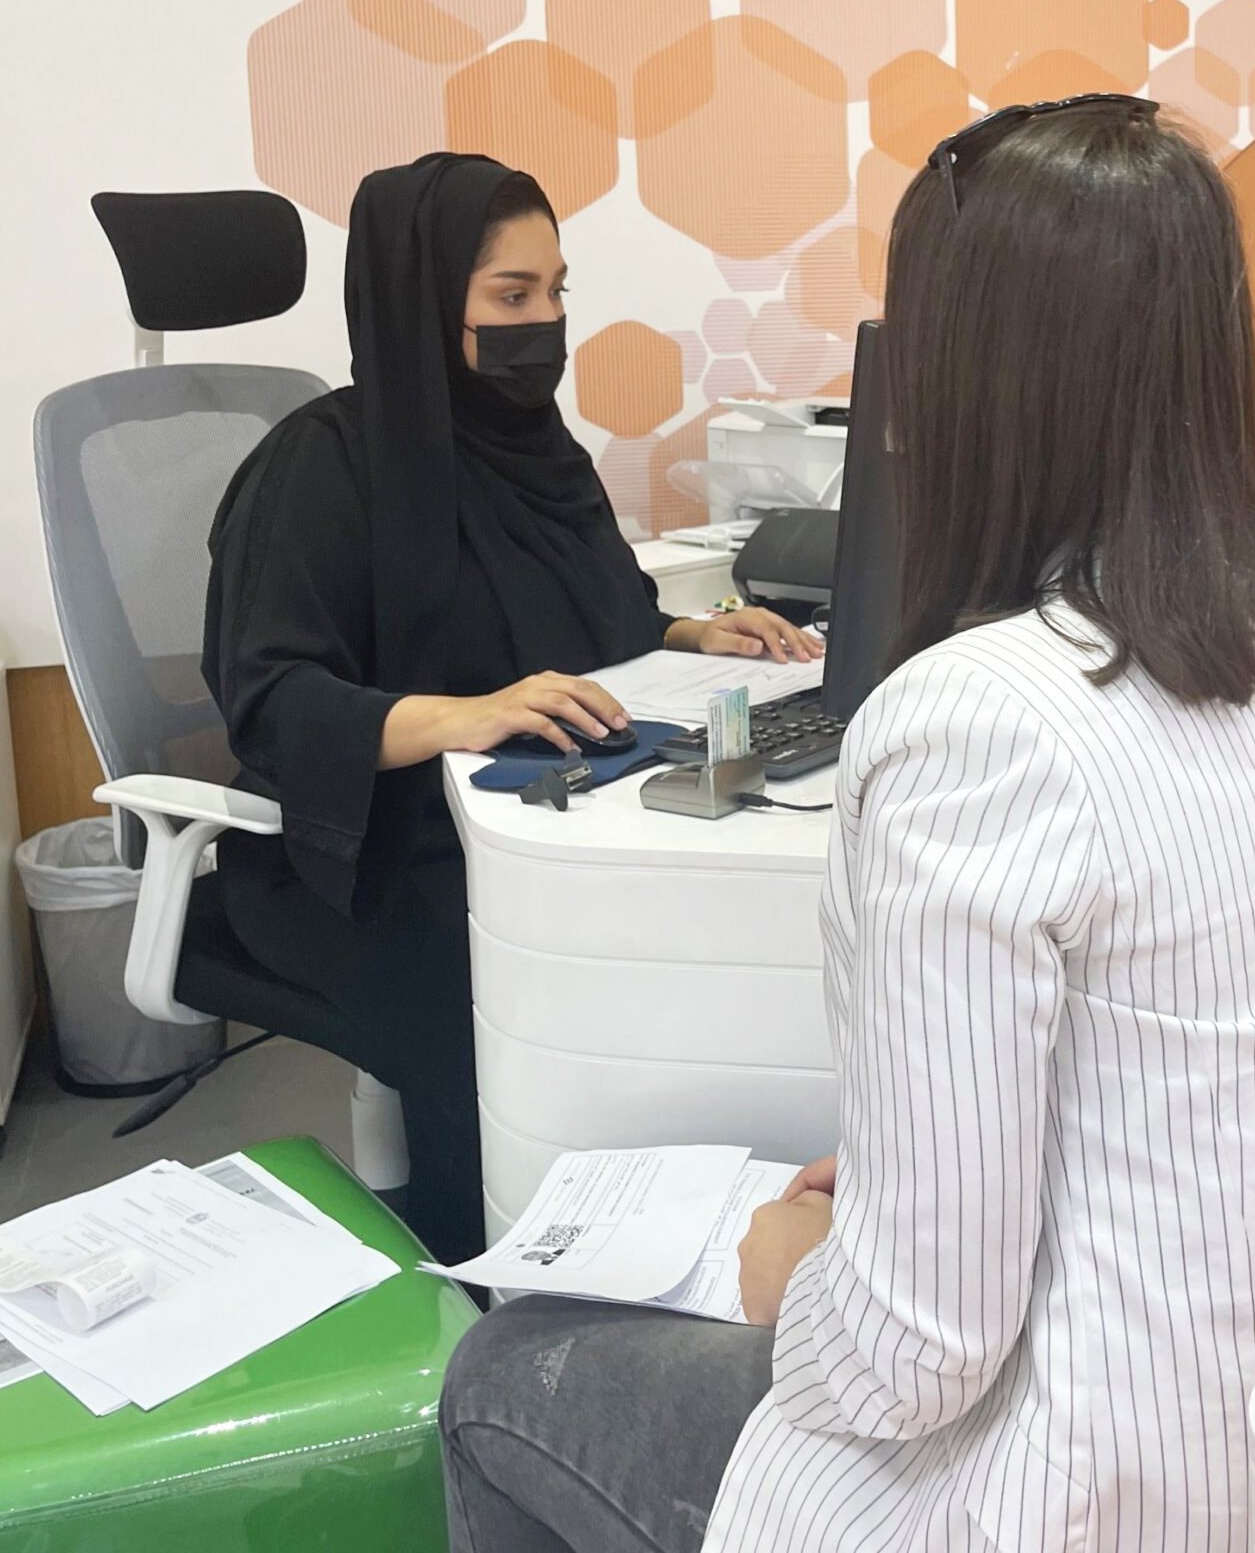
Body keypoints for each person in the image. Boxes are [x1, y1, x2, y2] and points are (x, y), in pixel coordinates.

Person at [438, 96, 1255, 1553]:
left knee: (505, 1368)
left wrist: (800, 1270)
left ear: (967, 375)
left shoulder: (974, 723)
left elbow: (914, 1354)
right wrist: (912, 1190)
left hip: (1085, 1485)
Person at [203, 152, 818, 1264]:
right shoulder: (320, 465)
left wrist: (688, 632)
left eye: (556, 292)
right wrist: (462, 714)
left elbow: (588, 624)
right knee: (502, 1009)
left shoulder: (539, 451)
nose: (545, 323)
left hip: (538, 805)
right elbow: (272, 702)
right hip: (368, 847)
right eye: (510, 297)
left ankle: (690, 1248)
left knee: (687, 953)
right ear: (421, 299)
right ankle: (491, 1268)